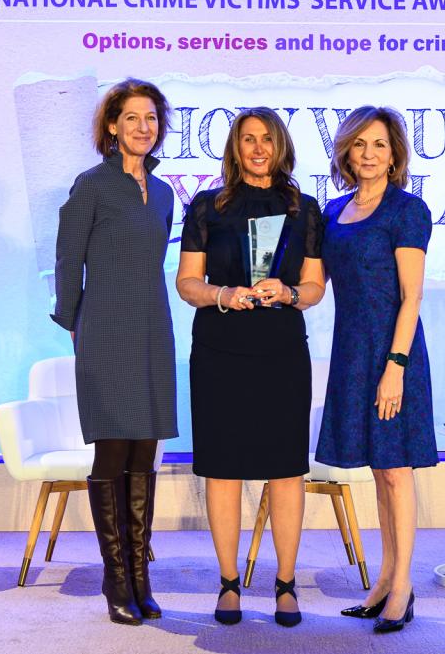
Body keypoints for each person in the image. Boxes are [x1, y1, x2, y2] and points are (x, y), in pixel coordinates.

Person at [176, 107, 326, 627]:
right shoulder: (205, 207)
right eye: (247, 140)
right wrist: (224, 294)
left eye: (267, 139)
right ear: (234, 149)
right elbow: (187, 283)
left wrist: (288, 292)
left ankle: (286, 585)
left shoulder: (305, 209)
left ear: (281, 146)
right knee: (223, 472)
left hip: (282, 352)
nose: (258, 148)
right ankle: (228, 584)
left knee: (285, 472)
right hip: (219, 351)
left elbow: (314, 288)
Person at [51, 78, 178, 626]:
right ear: (111, 126)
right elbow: (67, 259)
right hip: (103, 329)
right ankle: (115, 580)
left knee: (145, 453)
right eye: (132, 118)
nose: (142, 128)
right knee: (113, 452)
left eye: (151, 118)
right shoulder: (92, 185)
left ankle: (140, 576)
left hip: (153, 328)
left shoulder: (166, 192)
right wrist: (74, 320)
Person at [315, 106, 437, 634]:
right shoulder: (332, 211)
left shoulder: (407, 210)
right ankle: (384, 579)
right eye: (360, 144)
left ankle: (403, 585)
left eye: (380, 145)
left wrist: (396, 367)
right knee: (376, 472)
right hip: (351, 353)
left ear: (395, 155)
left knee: (396, 469)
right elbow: (314, 283)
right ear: (346, 151)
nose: (368, 154)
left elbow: (412, 297)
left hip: (393, 353)